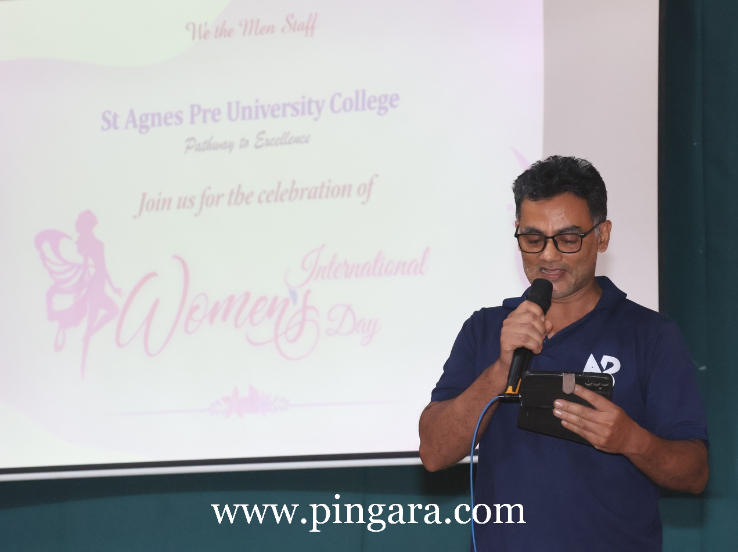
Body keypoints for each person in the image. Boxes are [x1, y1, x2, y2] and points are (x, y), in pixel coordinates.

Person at [418, 156, 709, 551]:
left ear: (602, 236)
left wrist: (631, 439)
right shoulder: (485, 328)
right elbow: (434, 452)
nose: (548, 256)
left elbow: (695, 473)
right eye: (533, 239)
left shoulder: (650, 335)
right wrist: (500, 370)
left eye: (568, 239)